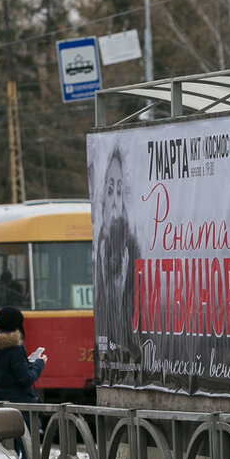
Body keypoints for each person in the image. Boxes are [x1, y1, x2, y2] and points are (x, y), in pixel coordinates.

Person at [0, 306, 47, 459]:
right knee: (28, 452)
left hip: (2, 400)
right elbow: (25, 379)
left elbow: (7, 370)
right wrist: (39, 364)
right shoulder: (14, 347)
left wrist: (25, 362)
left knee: (8, 450)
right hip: (21, 404)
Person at [96, 145, 140, 363]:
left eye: (120, 192)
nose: (115, 202)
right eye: (110, 190)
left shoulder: (132, 254)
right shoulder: (99, 253)